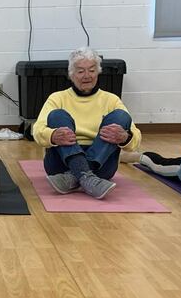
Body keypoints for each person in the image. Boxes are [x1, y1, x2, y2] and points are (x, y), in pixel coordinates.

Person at [32, 47, 141, 199]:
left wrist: (125, 137)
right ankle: (88, 178)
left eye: (91, 70)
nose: (87, 76)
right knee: (57, 116)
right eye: (80, 71)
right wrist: (52, 136)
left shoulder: (112, 100)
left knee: (121, 117)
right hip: (62, 161)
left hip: (101, 163)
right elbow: (37, 131)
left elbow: (135, 140)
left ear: (98, 72)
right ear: (71, 74)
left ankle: (74, 177)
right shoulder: (57, 98)